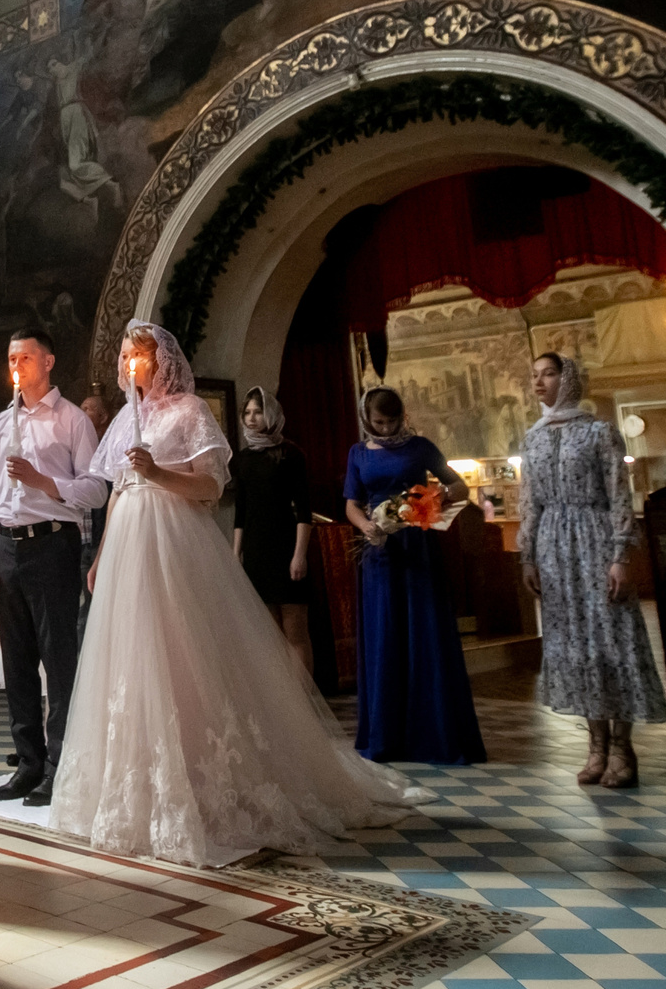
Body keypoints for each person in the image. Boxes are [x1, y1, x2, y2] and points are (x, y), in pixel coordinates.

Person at [50, 323, 430, 864]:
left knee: (183, 648)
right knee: (129, 655)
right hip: (128, 543)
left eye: (138, 354)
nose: (128, 363)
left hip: (172, 541)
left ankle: (203, 780)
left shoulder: (188, 412)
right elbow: (118, 491)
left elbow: (210, 487)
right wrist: (103, 551)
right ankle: (133, 786)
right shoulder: (125, 419)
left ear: (161, 361)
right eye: (125, 355)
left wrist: (157, 472)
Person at [519, 351, 666, 788]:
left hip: (595, 540)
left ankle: (622, 747)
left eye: (549, 373)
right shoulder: (533, 439)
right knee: (575, 645)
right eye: (534, 375)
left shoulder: (599, 432)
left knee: (612, 640)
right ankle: (596, 745)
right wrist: (527, 554)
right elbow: (529, 501)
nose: (539, 382)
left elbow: (619, 494)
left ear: (568, 379)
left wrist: (621, 555)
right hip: (553, 547)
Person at [0, 325, 101, 807]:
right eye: (11, 359)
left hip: (52, 544)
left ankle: (59, 766)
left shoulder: (72, 420)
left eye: (25, 357)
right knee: (17, 658)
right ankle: (28, 763)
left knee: (57, 657)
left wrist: (43, 480)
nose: (16, 366)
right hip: (8, 546)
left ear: (48, 362)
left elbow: (95, 489)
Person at [344, 387, 486, 766]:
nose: (386, 428)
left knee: (424, 632)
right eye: (379, 422)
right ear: (367, 418)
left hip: (418, 548)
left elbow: (459, 486)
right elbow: (351, 505)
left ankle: (434, 734)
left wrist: (426, 502)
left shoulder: (421, 447)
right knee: (385, 634)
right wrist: (366, 527)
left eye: (392, 421)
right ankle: (386, 736)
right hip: (379, 553)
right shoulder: (358, 453)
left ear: (401, 416)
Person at [229, 387, 320, 674]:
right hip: (256, 550)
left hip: (286, 545)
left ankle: (304, 697)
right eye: (247, 412)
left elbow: (304, 510)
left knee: (295, 630)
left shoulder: (291, 454)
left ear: (271, 414)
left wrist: (299, 555)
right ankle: (284, 696)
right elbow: (241, 512)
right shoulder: (242, 458)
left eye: (258, 412)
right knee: (270, 634)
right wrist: (235, 554)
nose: (251, 418)